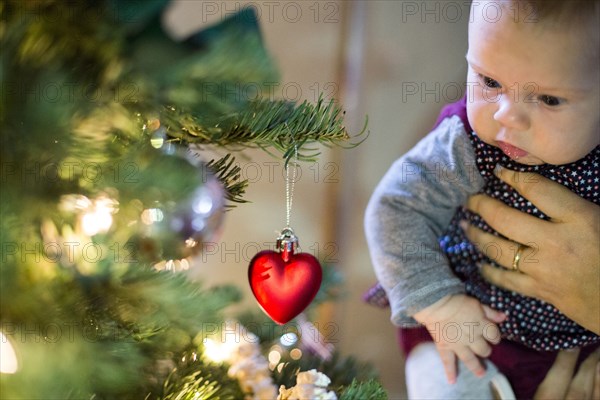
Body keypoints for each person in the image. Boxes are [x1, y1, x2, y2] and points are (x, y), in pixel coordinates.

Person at [364, 0, 600, 398]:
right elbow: (395, 207)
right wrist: (439, 306)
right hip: (474, 336)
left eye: (549, 100)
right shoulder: (465, 147)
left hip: (581, 352)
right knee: (447, 381)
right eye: (490, 82)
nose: (508, 116)